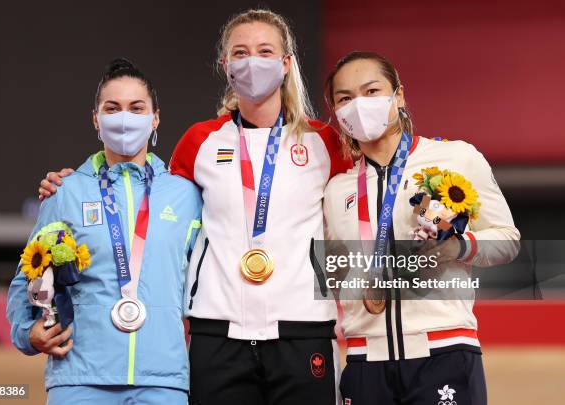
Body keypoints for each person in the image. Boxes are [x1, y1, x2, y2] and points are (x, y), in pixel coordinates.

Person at [39, 9, 351, 405]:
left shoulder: (325, 143)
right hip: (215, 332)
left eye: (264, 50)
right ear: (226, 66)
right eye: (240, 52)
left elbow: (356, 217)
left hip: (304, 329)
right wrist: (74, 183)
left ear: (286, 64)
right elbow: (152, 204)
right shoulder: (199, 141)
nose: (252, 61)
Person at [323, 51, 520, 405]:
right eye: (345, 98)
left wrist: (457, 247)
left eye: (371, 91)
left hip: (444, 351)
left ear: (398, 96)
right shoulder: (336, 190)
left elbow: (507, 240)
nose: (358, 105)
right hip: (365, 360)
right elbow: (332, 276)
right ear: (336, 112)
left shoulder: (457, 159)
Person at [7, 58, 202, 404]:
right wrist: (27, 332)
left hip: (163, 382)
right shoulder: (64, 192)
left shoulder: (186, 195)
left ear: (155, 118)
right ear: (96, 119)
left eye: (136, 107)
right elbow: (29, 275)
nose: (124, 117)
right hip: (79, 380)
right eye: (112, 108)